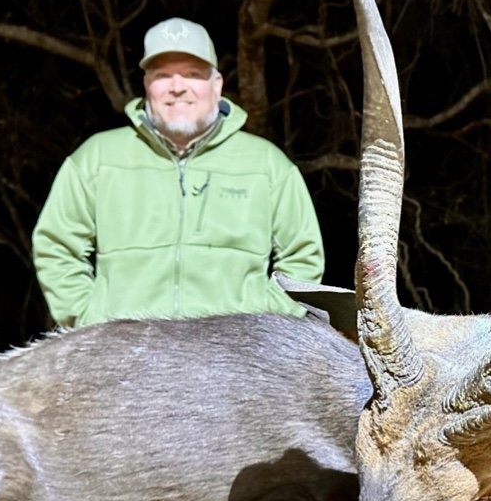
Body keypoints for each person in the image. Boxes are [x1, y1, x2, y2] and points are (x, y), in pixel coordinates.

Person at [32, 17, 324, 327]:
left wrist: (264, 325)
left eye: (192, 75)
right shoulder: (97, 157)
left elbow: (303, 259)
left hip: (233, 360)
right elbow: (55, 245)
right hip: (121, 356)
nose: (177, 87)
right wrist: (88, 319)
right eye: (163, 75)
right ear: (147, 86)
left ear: (216, 85)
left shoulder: (268, 165)